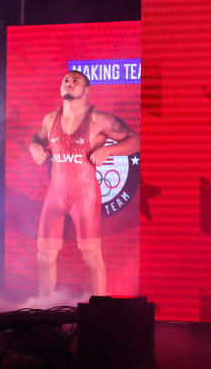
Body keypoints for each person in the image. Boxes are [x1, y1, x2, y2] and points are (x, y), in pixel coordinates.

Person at [28, 70, 139, 296]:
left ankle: (100, 309)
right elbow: (36, 138)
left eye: (75, 80)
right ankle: (44, 309)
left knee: (92, 255)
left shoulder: (99, 119)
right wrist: (34, 148)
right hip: (55, 196)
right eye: (65, 80)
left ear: (87, 90)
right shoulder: (50, 119)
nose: (69, 82)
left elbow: (136, 140)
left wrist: (110, 150)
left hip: (85, 197)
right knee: (44, 255)